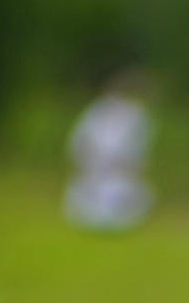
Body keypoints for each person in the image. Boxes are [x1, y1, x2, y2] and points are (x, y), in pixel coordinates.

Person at [63, 73, 153, 232]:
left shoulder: (135, 115)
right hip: (96, 169)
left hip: (117, 172)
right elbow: (82, 142)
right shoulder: (102, 112)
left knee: (126, 197)